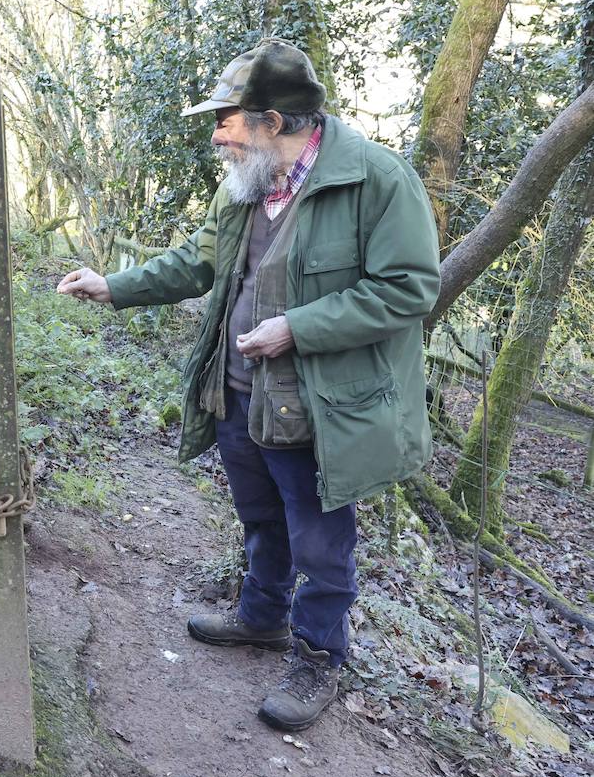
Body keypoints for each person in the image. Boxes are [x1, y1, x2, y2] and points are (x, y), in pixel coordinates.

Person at [57, 38, 439, 731]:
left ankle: (320, 654)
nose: (216, 134)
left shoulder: (378, 180)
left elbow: (409, 290)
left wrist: (299, 327)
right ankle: (262, 616)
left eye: (228, 119)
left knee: (322, 542)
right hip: (238, 392)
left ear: (276, 120)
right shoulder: (245, 181)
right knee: (260, 516)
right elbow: (195, 263)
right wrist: (111, 286)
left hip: (323, 409)